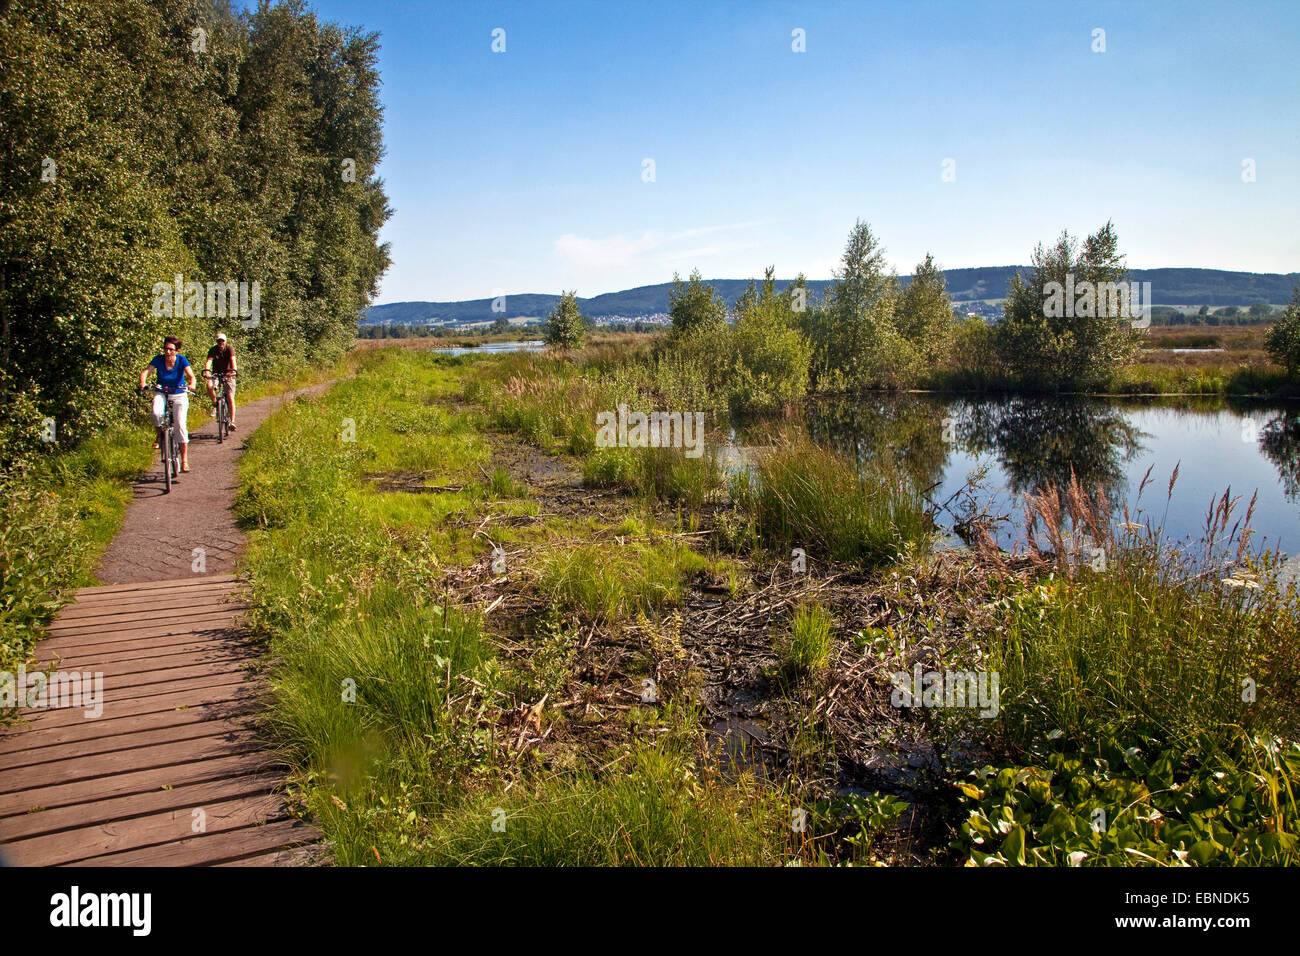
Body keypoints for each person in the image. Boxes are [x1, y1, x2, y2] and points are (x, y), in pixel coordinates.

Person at [138, 336, 197, 472]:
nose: (168, 352)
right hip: (162, 391)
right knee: (156, 413)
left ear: (177, 351)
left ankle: (184, 460)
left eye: (171, 349)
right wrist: (143, 382)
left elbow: (191, 375)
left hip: (179, 393)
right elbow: (147, 371)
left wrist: (192, 384)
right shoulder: (158, 359)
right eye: (166, 349)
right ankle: (160, 435)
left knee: (180, 426)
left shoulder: (182, 360)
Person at [203, 331, 238, 431]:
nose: (220, 343)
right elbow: (209, 361)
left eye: (222, 341)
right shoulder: (213, 350)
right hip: (216, 374)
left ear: (225, 341)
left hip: (228, 374)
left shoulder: (229, 349)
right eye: (219, 341)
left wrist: (233, 371)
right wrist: (207, 371)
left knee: (230, 397)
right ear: (216, 342)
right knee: (209, 386)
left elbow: (233, 361)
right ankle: (215, 403)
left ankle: (232, 421)